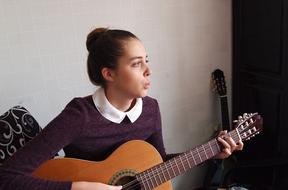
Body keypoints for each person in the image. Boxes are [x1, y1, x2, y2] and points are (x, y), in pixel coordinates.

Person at [0, 28, 243, 190]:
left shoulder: (150, 108)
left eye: (147, 61)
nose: (149, 71)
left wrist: (211, 151)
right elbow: (8, 176)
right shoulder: (79, 115)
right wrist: (78, 187)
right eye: (137, 64)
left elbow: (157, 164)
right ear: (109, 73)